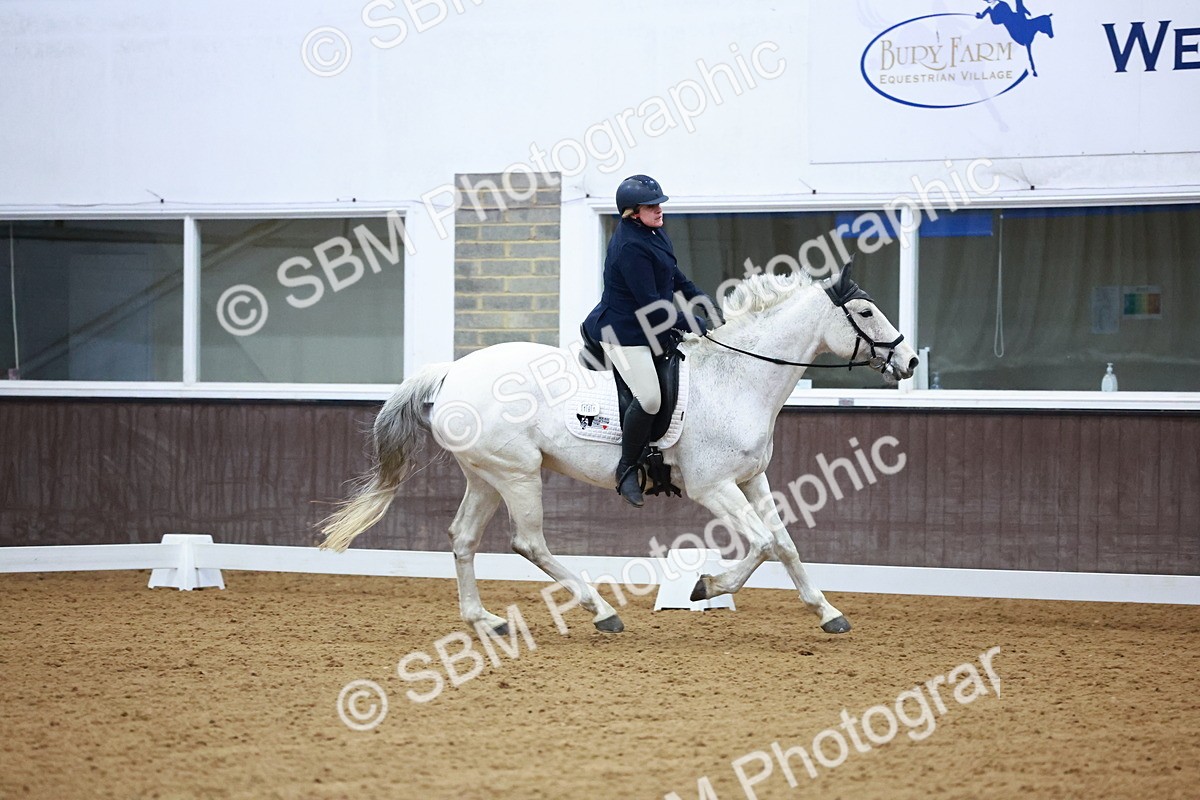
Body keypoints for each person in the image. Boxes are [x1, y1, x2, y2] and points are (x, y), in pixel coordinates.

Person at [582, 174, 718, 507]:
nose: (659, 210)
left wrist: (701, 298)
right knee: (650, 398)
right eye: (651, 206)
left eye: (659, 205)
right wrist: (691, 321)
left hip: (649, 325)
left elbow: (672, 274)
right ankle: (627, 467)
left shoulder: (654, 232)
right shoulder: (629, 246)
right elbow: (650, 306)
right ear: (632, 212)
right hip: (623, 333)